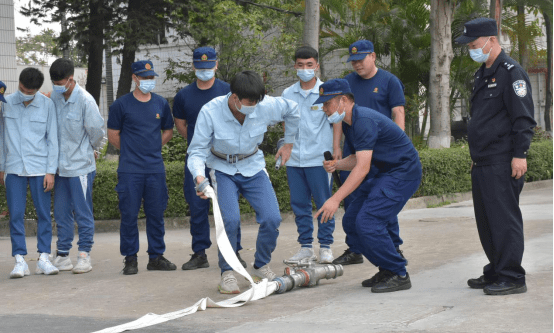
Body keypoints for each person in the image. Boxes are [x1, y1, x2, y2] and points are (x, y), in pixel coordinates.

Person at [187, 70, 300, 294]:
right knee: (229, 220)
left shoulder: (265, 105)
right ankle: (227, 273)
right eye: (249, 103)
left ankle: (260, 265)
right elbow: (197, 151)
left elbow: (293, 110)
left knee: (272, 217)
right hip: (222, 168)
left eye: (257, 102)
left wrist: (288, 143)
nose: (254, 107)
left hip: (253, 165)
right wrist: (199, 178)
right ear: (235, 96)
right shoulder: (210, 111)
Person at [314, 79, 421, 293]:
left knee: (368, 221)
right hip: (385, 173)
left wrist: (335, 199)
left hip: (403, 172)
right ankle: (386, 269)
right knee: (353, 221)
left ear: (343, 100)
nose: (324, 108)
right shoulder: (349, 121)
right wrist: (338, 165)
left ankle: (398, 273)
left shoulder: (364, 121)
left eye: (327, 103)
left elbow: (362, 168)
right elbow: (358, 158)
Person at [455, 18, 536, 295]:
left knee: (504, 221)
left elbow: (523, 119)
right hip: (483, 161)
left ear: (492, 40)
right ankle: (497, 269)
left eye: (475, 45)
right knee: (487, 222)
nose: (472, 50)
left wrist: (520, 155)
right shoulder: (482, 73)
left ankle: (512, 276)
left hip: (503, 160)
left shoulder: (512, 73)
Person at [333, 39, 408, 267]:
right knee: (352, 200)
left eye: (361, 59)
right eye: (353, 61)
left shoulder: (389, 81)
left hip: (381, 153)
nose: (357, 65)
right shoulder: (347, 82)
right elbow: (337, 114)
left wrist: (398, 144)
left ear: (373, 56)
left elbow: (398, 113)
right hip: (353, 150)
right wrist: (337, 146)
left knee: (382, 199)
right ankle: (355, 249)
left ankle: (393, 246)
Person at [173, 47, 246, 270]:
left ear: (216, 64)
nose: (204, 70)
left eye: (209, 66)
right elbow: (181, 125)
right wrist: (201, 145)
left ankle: (234, 251)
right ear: (194, 66)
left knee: (228, 206)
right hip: (197, 160)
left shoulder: (228, 91)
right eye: (200, 66)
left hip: (225, 159)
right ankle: (199, 253)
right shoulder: (183, 95)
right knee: (197, 205)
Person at [107, 60, 177, 275]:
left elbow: (168, 130)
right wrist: (131, 150)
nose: (148, 81)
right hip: (130, 170)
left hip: (155, 168)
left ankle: (156, 257)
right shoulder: (121, 105)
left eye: (150, 78)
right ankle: (130, 259)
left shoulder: (160, 103)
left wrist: (154, 146)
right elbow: (113, 135)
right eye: (144, 78)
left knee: (156, 214)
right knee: (129, 215)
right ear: (135, 78)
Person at [281, 46, 341, 263]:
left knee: (324, 202)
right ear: (295, 67)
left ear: (316, 65)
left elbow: (336, 122)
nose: (305, 69)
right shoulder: (288, 94)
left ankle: (325, 247)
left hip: (319, 159)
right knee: (300, 204)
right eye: (300, 65)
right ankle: (306, 247)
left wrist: (336, 150)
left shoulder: (327, 91)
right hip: (294, 160)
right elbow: (285, 124)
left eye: (309, 65)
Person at [0, 68, 59, 278]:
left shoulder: (47, 105)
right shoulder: (5, 103)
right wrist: (1, 167)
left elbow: (53, 140)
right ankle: (19, 260)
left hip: (40, 168)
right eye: (24, 89)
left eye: (31, 91)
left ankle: (44, 258)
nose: (27, 93)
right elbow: (1, 137)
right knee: (15, 214)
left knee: (44, 214)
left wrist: (50, 171)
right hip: (14, 168)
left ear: (38, 89)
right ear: (19, 83)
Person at [49, 58, 105, 274]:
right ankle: (63, 254)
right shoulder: (54, 96)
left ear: (71, 80)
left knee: (82, 212)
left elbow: (96, 131)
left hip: (81, 166)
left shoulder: (85, 100)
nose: (57, 86)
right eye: (54, 82)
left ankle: (84, 254)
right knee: (61, 212)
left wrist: (94, 150)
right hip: (60, 168)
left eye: (60, 82)